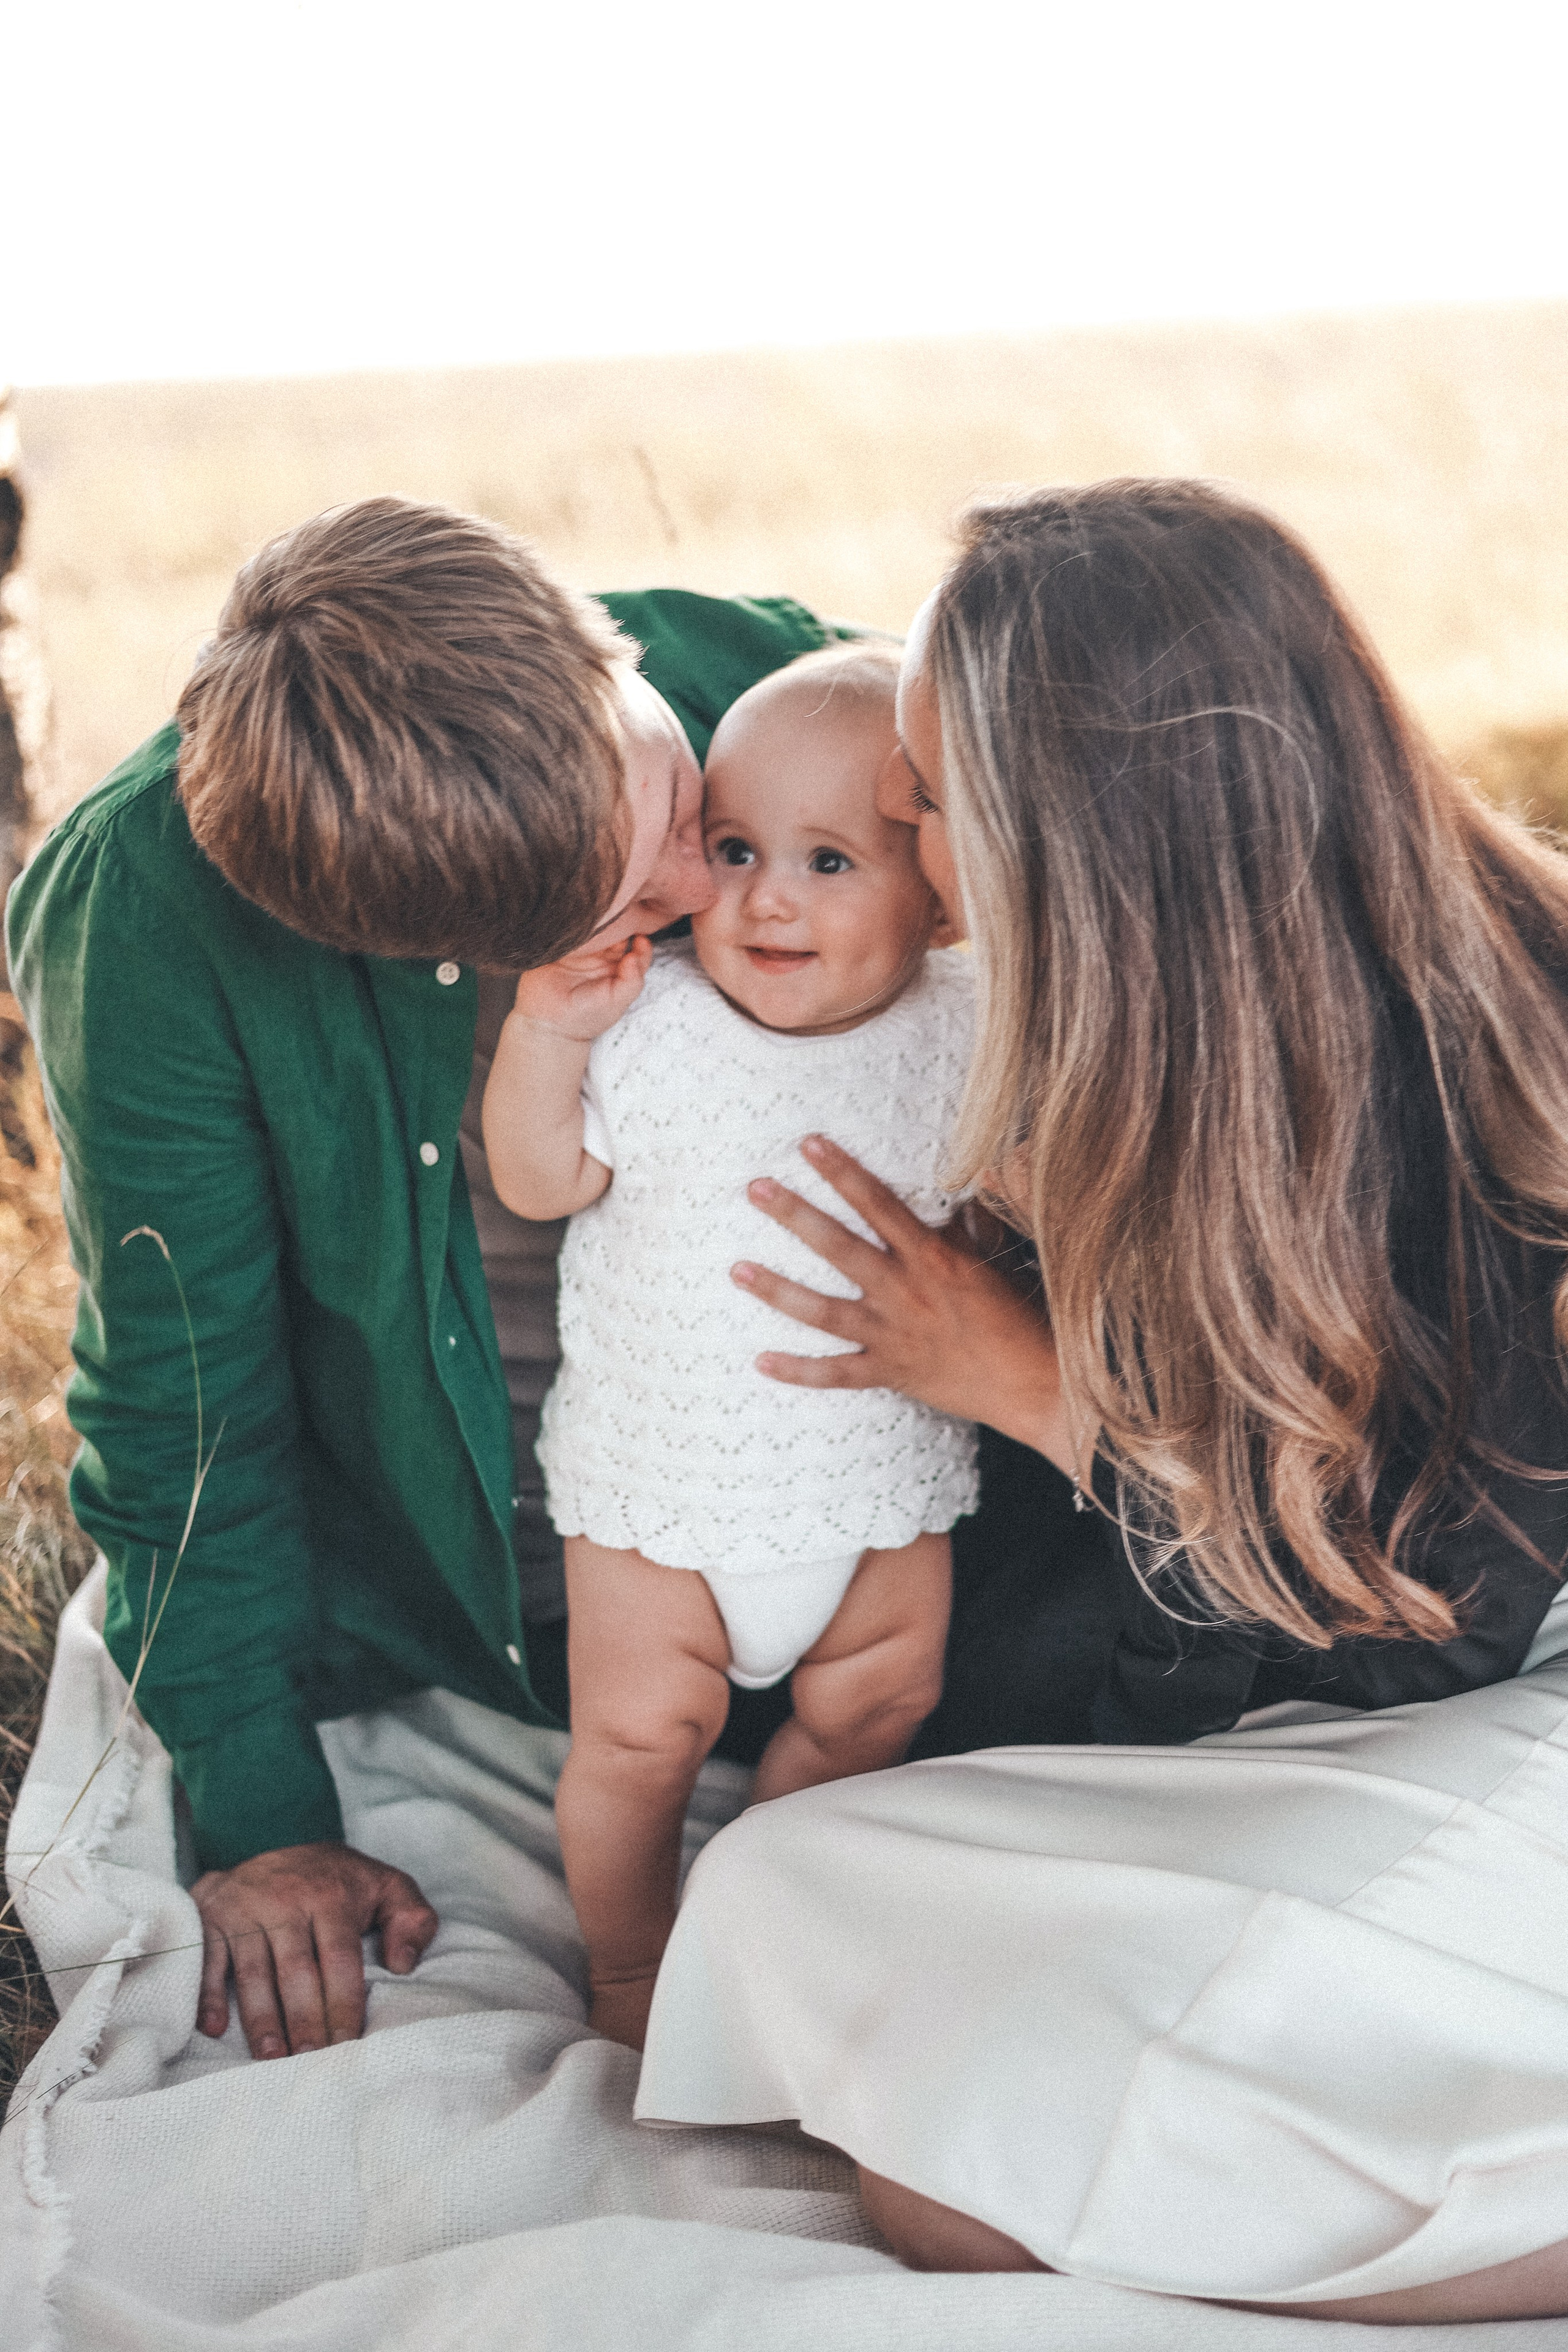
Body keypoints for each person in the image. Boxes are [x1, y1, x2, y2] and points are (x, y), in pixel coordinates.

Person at [635, 480, 1568, 2324]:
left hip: (1471, 1693)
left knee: (979, 2177)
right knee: (789, 1904)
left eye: (930, 792)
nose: (899, 825)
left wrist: (1041, 1388)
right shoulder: (1114, 1025)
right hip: (1277, 1699)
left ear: (1095, 830)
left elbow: (1441, 1613)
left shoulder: (1493, 1058)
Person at [6, 495, 862, 2063]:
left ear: (591, 644)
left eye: (671, 796)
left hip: (882, 1473)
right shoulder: (135, 912)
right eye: (616, 912)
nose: (699, 886)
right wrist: (262, 1816)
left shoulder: (783, 680)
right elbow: (184, 1388)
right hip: (530, 1577)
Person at [483, 644, 976, 2048]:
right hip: (664, 1489)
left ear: (937, 896)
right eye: (740, 846)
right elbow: (537, 1182)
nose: (766, 897)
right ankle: (634, 1964)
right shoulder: (646, 1017)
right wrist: (543, 1037)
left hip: (871, 1481)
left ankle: (754, 1907)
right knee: (636, 1743)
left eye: (832, 862)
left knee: (885, 1699)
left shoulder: (968, 1026)